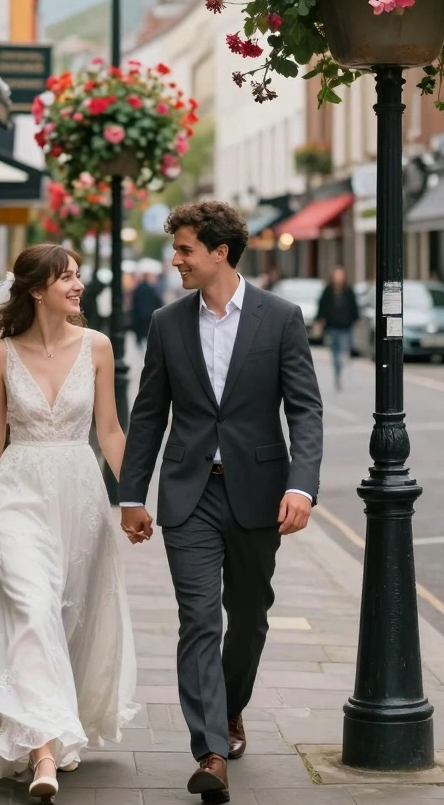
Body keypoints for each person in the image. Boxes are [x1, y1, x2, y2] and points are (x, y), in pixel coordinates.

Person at [0, 244, 138, 799]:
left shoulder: (99, 348)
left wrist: (132, 497)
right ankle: (42, 754)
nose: (78, 285)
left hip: (79, 494)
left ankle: (51, 728)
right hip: (17, 492)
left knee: (66, 618)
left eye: (79, 276)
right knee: (32, 609)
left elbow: (109, 431)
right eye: (67, 277)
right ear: (37, 290)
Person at [119, 201, 323, 805]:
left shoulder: (281, 318)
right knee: (199, 619)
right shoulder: (166, 321)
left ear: (219, 253)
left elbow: (305, 408)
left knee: (250, 616)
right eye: (175, 249)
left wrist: (301, 485)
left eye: (183, 249)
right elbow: (149, 413)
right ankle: (210, 749)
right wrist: (132, 494)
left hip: (259, 492)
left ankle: (230, 709)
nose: (175, 260)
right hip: (190, 493)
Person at [315, 266, 359, 390]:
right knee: (335, 352)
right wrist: (320, 320)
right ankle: (337, 373)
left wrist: (353, 319)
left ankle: (342, 374)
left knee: (344, 352)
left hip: (346, 326)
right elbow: (322, 306)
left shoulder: (348, 290)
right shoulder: (328, 290)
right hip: (332, 326)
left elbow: (354, 307)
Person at [131, 273, 163, 348]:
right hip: (149, 313)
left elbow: (134, 302)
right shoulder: (151, 289)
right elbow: (157, 301)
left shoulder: (138, 288)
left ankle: (139, 342)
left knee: (140, 329)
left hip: (139, 313)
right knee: (148, 330)